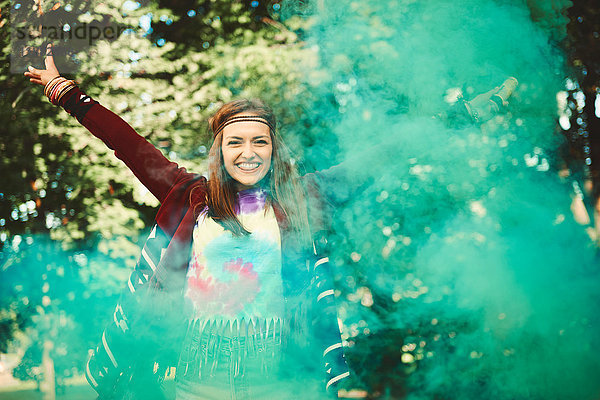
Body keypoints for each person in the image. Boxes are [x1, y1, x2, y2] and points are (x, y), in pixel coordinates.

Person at [25, 44, 353, 400]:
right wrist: (65, 91)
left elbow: (372, 164)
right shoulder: (192, 195)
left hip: (277, 379)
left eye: (260, 141)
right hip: (197, 378)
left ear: (273, 149)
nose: (248, 153)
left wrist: (421, 128)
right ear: (220, 150)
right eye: (235, 143)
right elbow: (129, 145)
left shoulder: (299, 198)